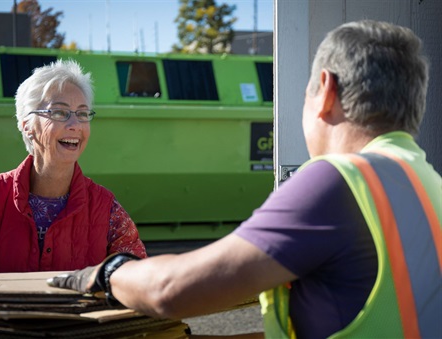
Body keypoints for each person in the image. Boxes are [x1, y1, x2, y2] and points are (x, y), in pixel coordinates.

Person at [48, 20, 441, 338]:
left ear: (325, 90)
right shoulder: (429, 184)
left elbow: (172, 291)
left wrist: (107, 272)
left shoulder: (339, 181)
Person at [0, 60, 147, 274]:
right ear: (27, 125)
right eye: (59, 113)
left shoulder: (105, 209)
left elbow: (140, 276)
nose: (75, 125)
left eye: (82, 114)